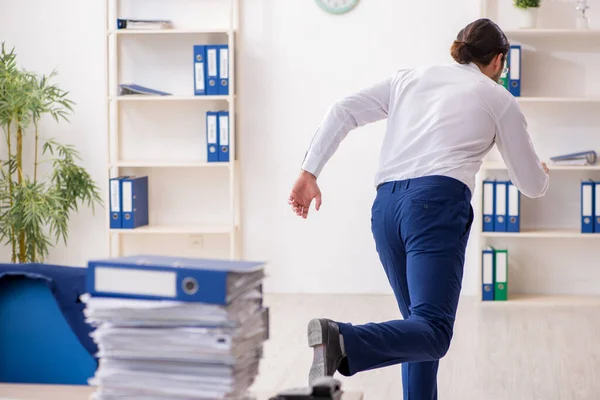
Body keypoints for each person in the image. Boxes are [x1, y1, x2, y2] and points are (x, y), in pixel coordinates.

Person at [287, 18, 550, 400]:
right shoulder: (498, 99)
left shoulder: (408, 78)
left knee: (416, 332)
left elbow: (344, 109)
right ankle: (341, 339)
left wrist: (309, 171)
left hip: (386, 209)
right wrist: (543, 172)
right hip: (434, 206)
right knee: (433, 331)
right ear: (497, 61)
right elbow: (530, 185)